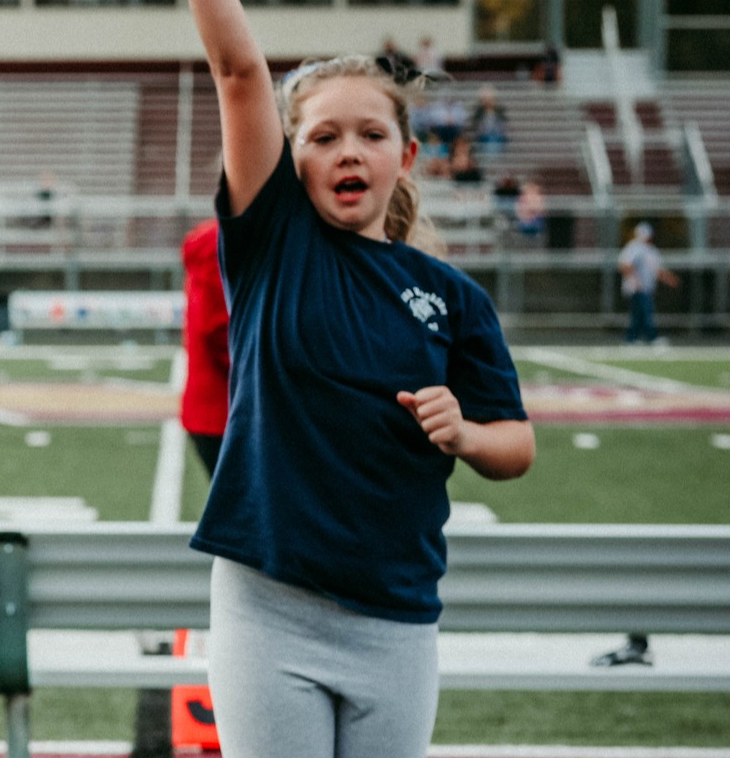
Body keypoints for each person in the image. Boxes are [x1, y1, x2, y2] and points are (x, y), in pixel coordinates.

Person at [189, 1, 537, 755]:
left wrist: (468, 433)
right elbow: (239, 72)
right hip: (269, 607)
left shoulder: (453, 298)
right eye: (323, 137)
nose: (349, 151)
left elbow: (517, 445)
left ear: (406, 157)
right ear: (291, 159)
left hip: (396, 616)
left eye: (372, 135)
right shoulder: (272, 246)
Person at [179, 218, 227, 477]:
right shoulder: (219, 242)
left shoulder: (216, 239)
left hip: (218, 411)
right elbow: (218, 329)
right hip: (224, 412)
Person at [618, 222, 680, 346]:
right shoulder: (634, 247)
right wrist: (635, 281)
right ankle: (650, 337)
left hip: (646, 287)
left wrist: (670, 279)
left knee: (639, 314)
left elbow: (657, 270)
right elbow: (625, 265)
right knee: (645, 313)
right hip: (637, 288)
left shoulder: (651, 250)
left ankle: (631, 339)